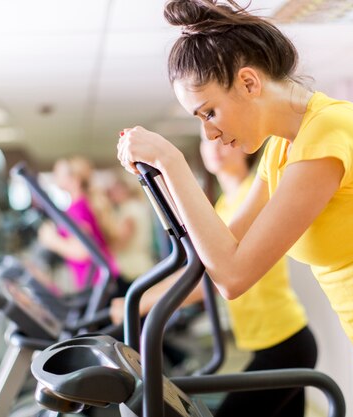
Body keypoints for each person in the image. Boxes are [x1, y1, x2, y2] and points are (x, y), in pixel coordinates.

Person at [116, 1, 353, 416]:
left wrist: (173, 162)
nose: (209, 132)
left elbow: (234, 275)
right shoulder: (283, 149)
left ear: (248, 83)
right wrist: (163, 179)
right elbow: (223, 239)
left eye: (209, 112)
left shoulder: (329, 134)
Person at [111, 128, 317, 417]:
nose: (214, 146)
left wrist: (140, 303)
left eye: (222, 139)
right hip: (266, 342)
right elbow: (195, 266)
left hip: (284, 341)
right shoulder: (222, 205)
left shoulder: (255, 194)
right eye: (206, 141)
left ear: (243, 144)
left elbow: (210, 279)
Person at [38, 156, 121, 293]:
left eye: (59, 173)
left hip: (97, 283)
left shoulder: (77, 208)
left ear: (74, 180)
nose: (55, 176)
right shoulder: (83, 204)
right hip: (102, 280)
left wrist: (52, 240)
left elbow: (83, 251)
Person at [105, 169, 156, 285]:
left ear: (123, 189)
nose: (110, 194)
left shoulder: (129, 210)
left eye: (113, 190)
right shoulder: (136, 206)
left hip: (131, 269)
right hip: (141, 264)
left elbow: (122, 241)